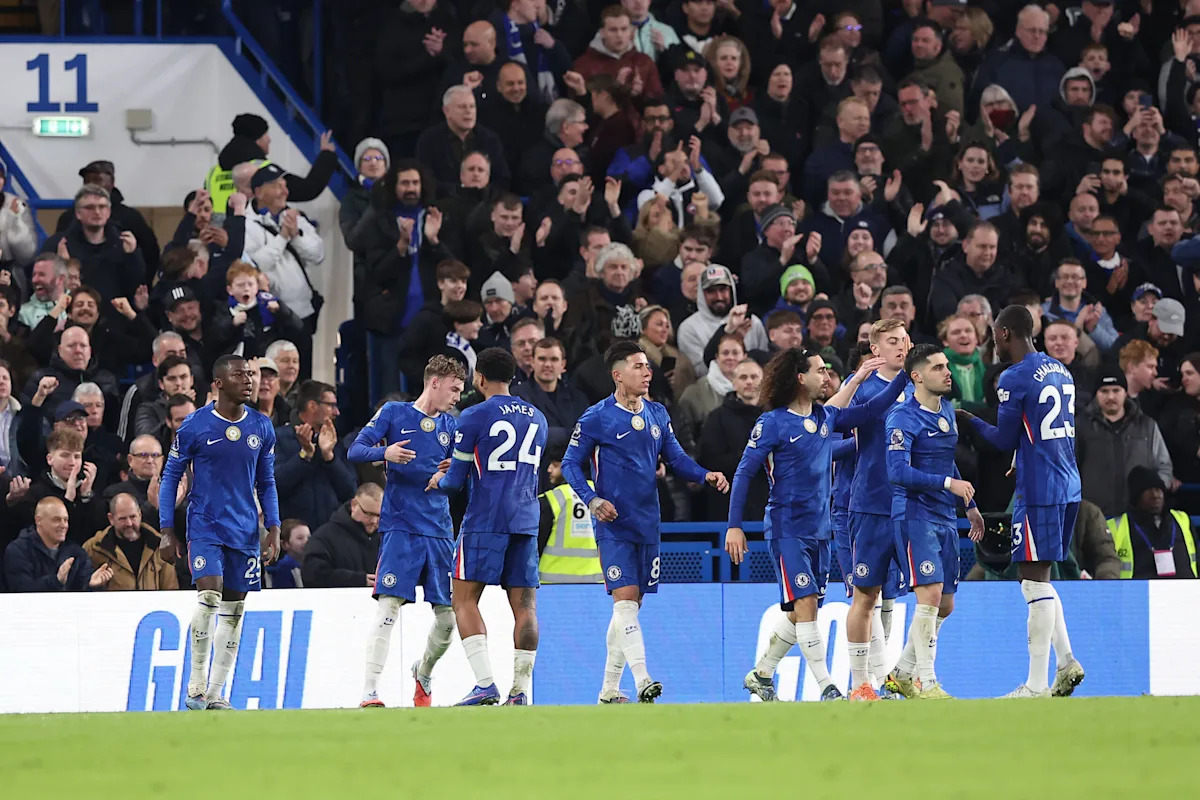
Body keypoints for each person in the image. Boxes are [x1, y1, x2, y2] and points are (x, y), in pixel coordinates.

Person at [724, 347, 904, 702]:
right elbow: (744, 473)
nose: (826, 376)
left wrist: (900, 374)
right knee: (805, 603)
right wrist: (734, 525)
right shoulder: (772, 423)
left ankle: (761, 674)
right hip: (787, 528)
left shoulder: (824, 417)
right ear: (799, 378)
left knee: (801, 612)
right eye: (820, 370)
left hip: (821, 530)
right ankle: (827, 687)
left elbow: (871, 411)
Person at [563, 340, 729, 703]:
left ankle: (609, 690)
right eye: (638, 366)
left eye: (648, 366)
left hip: (648, 522)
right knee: (624, 602)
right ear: (617, 374)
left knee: (630, 609)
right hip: (614, 524)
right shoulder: (596, 416)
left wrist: (705, 475)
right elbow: (570, 464)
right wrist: (592, 500)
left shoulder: (657, 414)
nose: (647, 372)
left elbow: (676, 458)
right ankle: (642, 680)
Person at [957, 305, 1085, 698]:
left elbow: (1001, 439)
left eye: (994, 335)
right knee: (1039, 578)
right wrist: (1023, 453)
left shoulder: (1014, 376)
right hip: (1068, 483)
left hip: (1040, 489)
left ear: (1005, 333)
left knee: (1031, 581)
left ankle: (1035, 685)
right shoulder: (1060, 370)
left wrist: (968, 419)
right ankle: (1066, 662)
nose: (993, 343)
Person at [158, 354, 281, 711]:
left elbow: (267, 481)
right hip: (205, 525)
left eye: (250, 375)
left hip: (245, 531)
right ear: (218, 383)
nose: (249, 380)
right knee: (209, 597)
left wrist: (274, 527)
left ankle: (215, 693)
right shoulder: (195, 425)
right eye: (239, 375)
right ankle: (196, 685)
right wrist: (166, 529)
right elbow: (170, 477)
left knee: (234, 609)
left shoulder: (261, 427)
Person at [431, 348, 549, 706]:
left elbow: (455, 482)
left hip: (486, 519)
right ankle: (520, 691)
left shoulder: (473, 416)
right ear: (512, 377)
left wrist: (439, 479)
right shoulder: (538, 418)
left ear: (479, 378)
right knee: (525, 607)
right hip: (526, 520)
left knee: (463, 599)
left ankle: (485, 684)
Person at [347, 356, 464, 708]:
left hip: (439, 530)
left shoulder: (452, 426)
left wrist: (451, 471)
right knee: (388, 607)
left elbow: (461, 478)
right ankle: (369, 691)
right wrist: (387, 452)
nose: (457, 397)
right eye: (454, 389)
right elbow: (355, 450)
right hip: (401, 526)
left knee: (448, 619)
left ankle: (423, 671)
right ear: (434, 383)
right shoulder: (394, 413)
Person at [883, 345, 985, 700]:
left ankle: (901, 673)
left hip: (944, 514)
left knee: (946, 604)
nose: (947, 372)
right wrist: (947, 484)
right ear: (917, 376)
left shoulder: (947, 411)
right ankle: (926, 681)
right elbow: (897, 472)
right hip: (914, 514)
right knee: (929, 594)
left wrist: (968, 503)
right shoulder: (902, 418)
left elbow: (944, 462)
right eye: (938, 367)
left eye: (946, 366)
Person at [4, 496, 113, 592]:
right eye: (56, 520)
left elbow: (82, 590)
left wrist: (92, 585)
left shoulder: (76, 552)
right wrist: (55, 581)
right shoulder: (18, 550)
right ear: (38, 520)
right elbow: (21, 591)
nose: (63, 525)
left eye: (66, 520)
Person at [1106, 466, 1197, 579]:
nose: (1155, 495)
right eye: (1148, 490)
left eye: (1158, 489)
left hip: (1185, 587)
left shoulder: (1182, 519)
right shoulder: (1117, 526)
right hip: (1139, 588)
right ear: (1136, 497)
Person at [81, 493, 178, 591]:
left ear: (140, 514)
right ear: (111, 519)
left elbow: (171, 590)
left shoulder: (161, 546)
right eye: (122, 519)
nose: (129, 523)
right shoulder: (93, 548)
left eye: (133, 517)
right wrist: (94, 586)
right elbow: (82, 588)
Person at [300, 485, 383, 589]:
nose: (374, 521)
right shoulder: (325, 537)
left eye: (379, 515)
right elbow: (311, 574)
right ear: (354, 505)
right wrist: (356, 580)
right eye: (368, 514)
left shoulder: (387, 538)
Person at [264, 518, 309, 589]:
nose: (306, 541)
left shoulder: (309, 565)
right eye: (300, 538)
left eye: (309, 537)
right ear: (285, 544)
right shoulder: (283, 570)